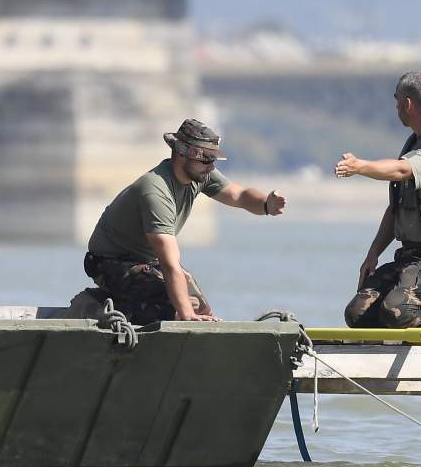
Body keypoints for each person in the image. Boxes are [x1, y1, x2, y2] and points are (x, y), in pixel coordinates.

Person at [83, 118, 286, 325]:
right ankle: (100, 309)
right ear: (181, 154)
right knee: (171, 307)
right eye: (205, 159)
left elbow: (238, 194)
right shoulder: (155, 192)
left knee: (200, 308)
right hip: (109, 262)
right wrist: (186, 316)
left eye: (213, 159)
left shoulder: (200, 173)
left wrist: (266, 204)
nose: (211, 166)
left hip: (148, 261)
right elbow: (170, 264)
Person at [335, 70, 421, 329]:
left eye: (397, 100)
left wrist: (359, 166)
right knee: (357, 314)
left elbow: (401, 170)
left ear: (407, 103)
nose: (396, 107)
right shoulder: (416, 144)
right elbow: (396, 209)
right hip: (411, 257)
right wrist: (372, 255)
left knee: (396, 313)